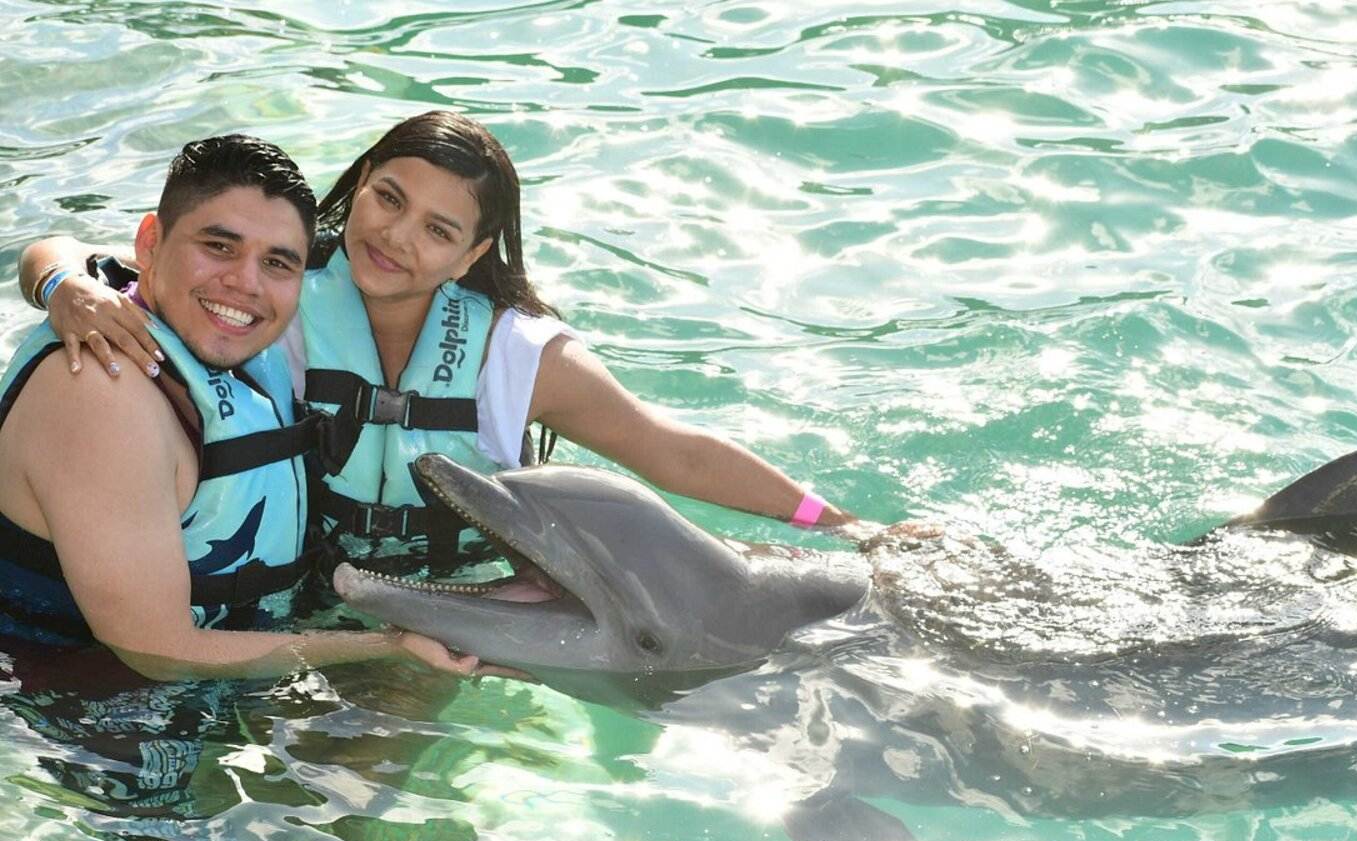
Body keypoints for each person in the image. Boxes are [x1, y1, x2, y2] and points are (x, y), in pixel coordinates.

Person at [21, 111, 854, 572]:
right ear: (361, 184)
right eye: (387, 198)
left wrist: (839, 524)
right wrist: (63, 288)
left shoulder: (519, 355)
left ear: (473, 254)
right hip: (306, 584)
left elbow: (671, 450)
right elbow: (95, 257)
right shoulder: (273, 294)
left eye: (438, 229)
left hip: (460, 592)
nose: (396, 237)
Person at [0, 134, 479, 681]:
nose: (245, 283)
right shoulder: (101, 392)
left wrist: (58, 278)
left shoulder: (213, 319)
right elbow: (155, 650)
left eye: (277, 263)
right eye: (219, 247)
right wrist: (389, 645)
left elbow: (59, 251)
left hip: (233, 656)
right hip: (87, 703)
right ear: (151, 244)